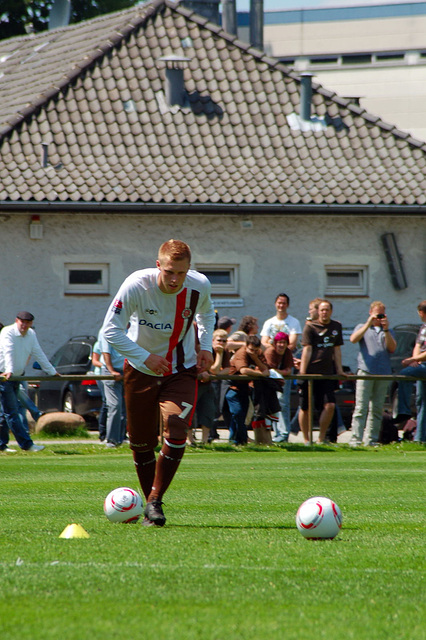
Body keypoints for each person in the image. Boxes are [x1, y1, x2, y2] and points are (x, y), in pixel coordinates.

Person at [102, 239, 214, 526]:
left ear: (190, 269)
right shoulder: (137, 285)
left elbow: (206, 314)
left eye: (181, 273)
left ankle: (154, 501)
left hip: (182, 369)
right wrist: (145, 357)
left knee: (176, 426)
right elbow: (110, 331)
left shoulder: (199, 285)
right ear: (158, 266)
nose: (175, 279)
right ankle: (151, 502)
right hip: (140, 370)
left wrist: (206, 346)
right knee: (141, 443)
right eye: (169, 272)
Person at [0, 311, 58, 452]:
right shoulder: (7, 331)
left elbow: (38, 352)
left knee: (4, 413)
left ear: (31, 323)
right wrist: (10, 370)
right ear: (16, 321)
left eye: (28, 323)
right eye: (22, 322)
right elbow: (8, 351)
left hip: (17, 377)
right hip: (5, 376)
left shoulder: (31, 334)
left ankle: (1, 445)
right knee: (12, 412)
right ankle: (27, 445)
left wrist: (52, 371)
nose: (24, 326)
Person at [349, 301, 397, 447]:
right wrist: (368, 323)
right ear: (371, 313)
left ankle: (371, 440)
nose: (379, 318)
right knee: (361, 407)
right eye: (377, 314)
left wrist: (386, 329)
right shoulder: (362, 327)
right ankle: (355, 440)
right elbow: (353, 339)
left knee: (377, 408)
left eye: (382, 314)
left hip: (383, 373)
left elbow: (392, 348)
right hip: (365, 371)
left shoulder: (388, 330)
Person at [298, 300, 345, 444]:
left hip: (327, 374)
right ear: (318, 311)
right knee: (305, 407)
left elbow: (336, 349)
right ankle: (306, 440)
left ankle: (321, 438)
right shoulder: (310, 327)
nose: (324, 312)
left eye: (327, 310)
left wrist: (340, 370)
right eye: (322, 310)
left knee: (330, 405)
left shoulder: (336, 326)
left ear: (331, 311)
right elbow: (307, 349)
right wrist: (302, 373)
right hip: (311, 372)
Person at [260, 293, 302, 440]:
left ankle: (283, 433)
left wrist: (280, 348)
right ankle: (276, 433)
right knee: (273, 401)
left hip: (285, 363)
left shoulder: (293, 322)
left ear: (287, 305)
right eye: (279, 303)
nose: (281, 305)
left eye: (284, 303)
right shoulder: (268, 322)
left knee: (283, 401)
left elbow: (292, 343)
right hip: (271, 365)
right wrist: (275, 347)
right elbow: (264, 341)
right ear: (275, 304)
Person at [225, 335, 279, 444]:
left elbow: (266, 370)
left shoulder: (256, 353)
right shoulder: (241, 353)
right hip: (231, 387)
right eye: (251, 350)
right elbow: (244, 370)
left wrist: (255, 358)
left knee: (242, 416)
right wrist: (259, 373)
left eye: (255, 350)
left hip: (245, 388)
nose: (253, 352)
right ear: (246, 346)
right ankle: (236, 441)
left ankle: (239, 442)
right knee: (238, 413)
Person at [395, 300, 426, 443]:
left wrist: (410, 360)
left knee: (405, 373)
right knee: (421, 401)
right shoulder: (423, 327)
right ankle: (420, 439)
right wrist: (415, 359)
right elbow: (418, 345)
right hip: (422, 365)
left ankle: (404, 411)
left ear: (421, 312)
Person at [194, 329, 231, 443]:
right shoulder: (204, 350)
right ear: (212, 340)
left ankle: (204, 441)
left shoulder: (225, 351)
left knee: (209, 411)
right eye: (219, 340)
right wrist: (218, 356)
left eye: (224, 341)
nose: (222, 343)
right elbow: (214, 369)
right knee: (191, 412)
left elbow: (227, 369)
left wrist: (215, 373)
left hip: (208, 384)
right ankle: (190, 440)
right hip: (194, 384)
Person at [264, 332, 294, 442]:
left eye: (284, 343)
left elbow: (289, 370)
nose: (281, 345)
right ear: (275, 343)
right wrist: (284, 372)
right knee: (273, 406)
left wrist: (283, 372)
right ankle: (277, 434)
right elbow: (271, 371)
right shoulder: (270, 351)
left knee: (283, 404)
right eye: (279, 342)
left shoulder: (287, 352)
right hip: (268, 382)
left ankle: (283, 434)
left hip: (280, 381)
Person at [99, 330, 127, 447]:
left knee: (125, 407)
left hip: (127, 371)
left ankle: (121, 438)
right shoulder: (107, 331)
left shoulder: (129, 330)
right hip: (111, 371)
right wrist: (111, 371)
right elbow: (106, 353)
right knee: (114, 405)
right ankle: (111, 441)